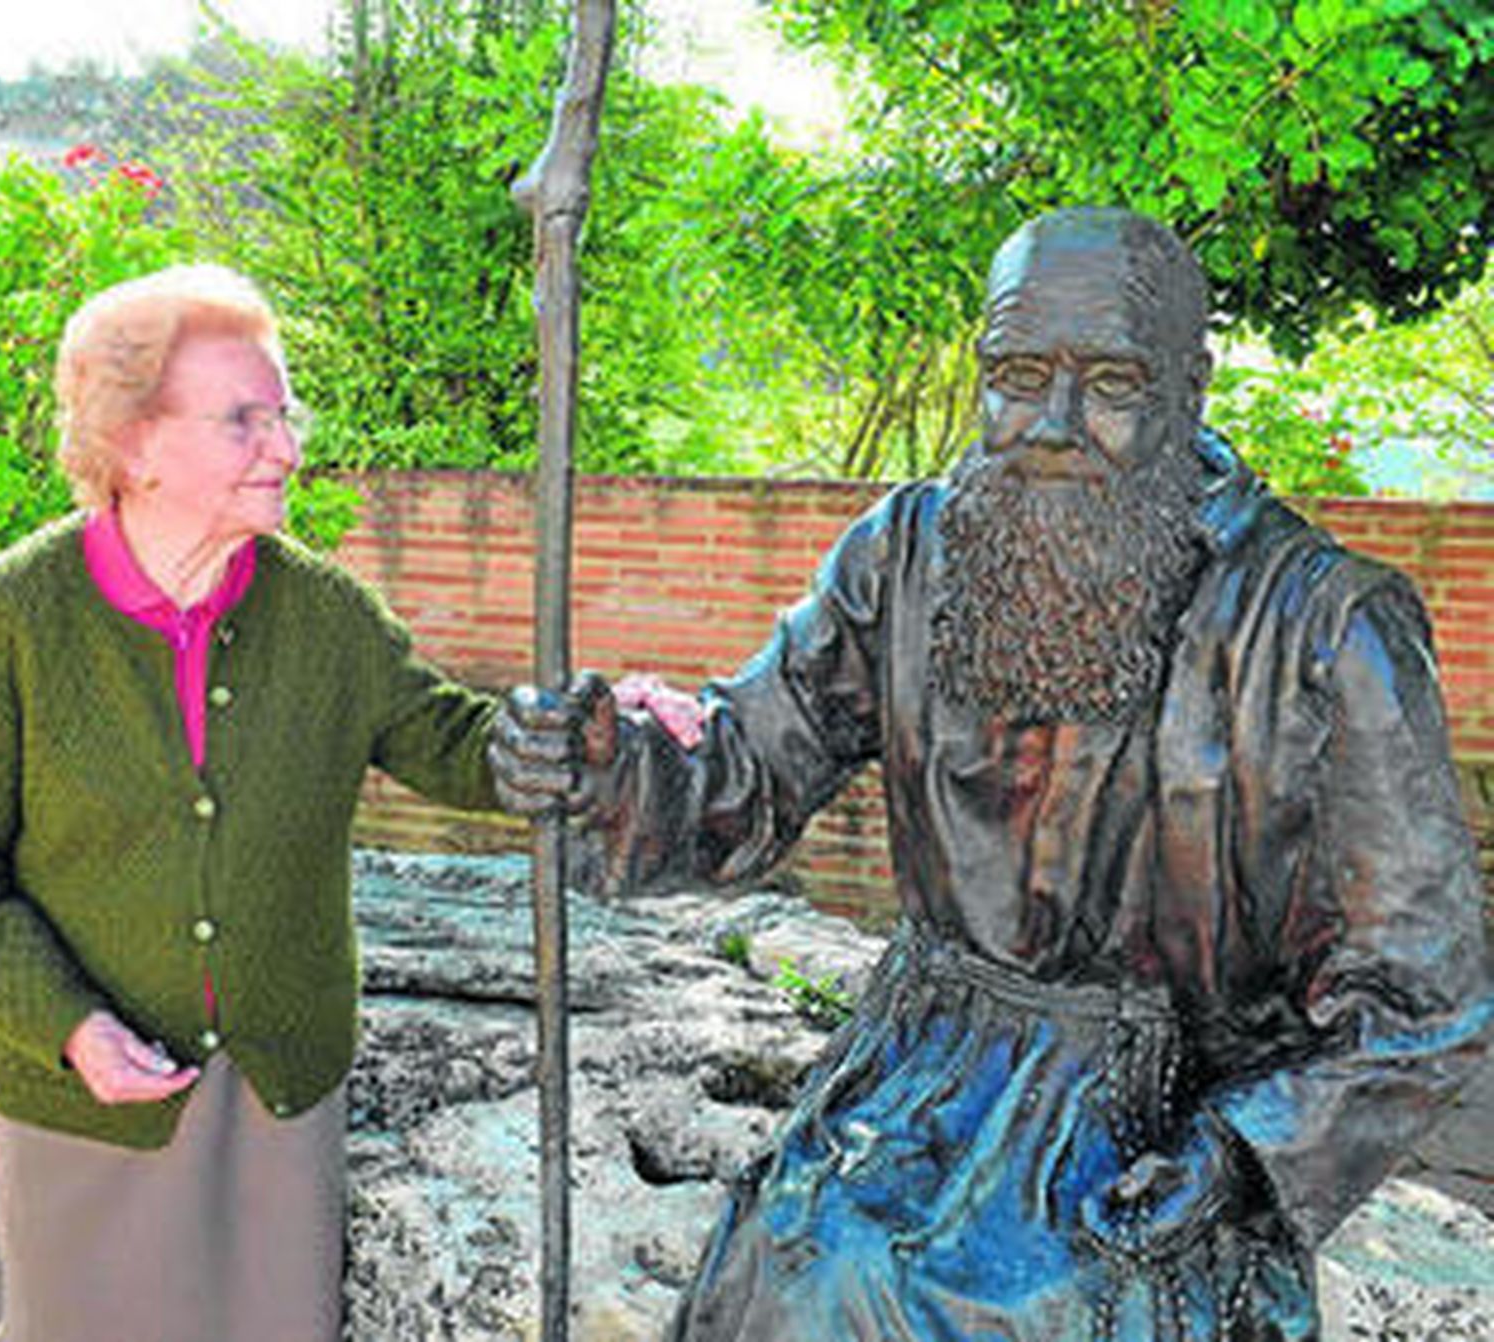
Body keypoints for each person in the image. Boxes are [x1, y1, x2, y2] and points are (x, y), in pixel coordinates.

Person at [491, 207, 1493, 1340]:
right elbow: (746, 768)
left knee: (1025, 1305)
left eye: (1110, 382)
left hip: (1163, 1120)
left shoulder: (1319, 625)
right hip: (908, 1078)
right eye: (1017, 375)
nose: (1054, 424)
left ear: (1188, 386)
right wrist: (605, 770)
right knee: (797, 1266)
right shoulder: (905, 553)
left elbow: (1423, 993)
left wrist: (1238, 1157)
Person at [0, 264, 499, 1342]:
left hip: (277, 1089)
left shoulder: (324, 614)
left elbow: (458, 743)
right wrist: (68, 1025)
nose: (287, 446)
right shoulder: (12, 622)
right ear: (131, 444)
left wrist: (589, 727)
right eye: (243, 420)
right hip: (79, 1099)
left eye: (284, 413)